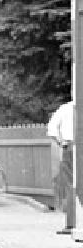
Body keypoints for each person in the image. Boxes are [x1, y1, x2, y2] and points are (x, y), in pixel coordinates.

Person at [47, 100, 75, 235]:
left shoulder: (65, 108)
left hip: (70, 146)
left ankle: (72, 224)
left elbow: (52, 129)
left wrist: (61, 142)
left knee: (71, 184)